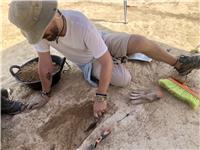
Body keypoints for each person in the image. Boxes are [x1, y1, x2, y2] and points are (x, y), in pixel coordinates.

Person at [8, 1, 200, 118]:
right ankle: (120, 59)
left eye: (41, 31)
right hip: (88, 62)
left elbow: (106, 61)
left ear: (51, 17)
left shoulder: (79, 22)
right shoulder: (39, 34)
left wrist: (101, 97)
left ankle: (179, 63)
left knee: (140, 41)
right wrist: (45, 93)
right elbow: (45, 63)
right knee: (123, 79)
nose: (40, 36)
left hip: (100, 40)